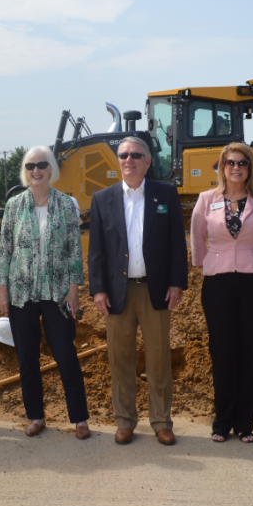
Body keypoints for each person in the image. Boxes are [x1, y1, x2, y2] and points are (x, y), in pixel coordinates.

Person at [88, 136, 187, 446]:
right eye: (123, 155)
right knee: (120, 360)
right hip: (118, 293)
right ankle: (125, 421)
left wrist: (177, 282)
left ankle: (161, 421)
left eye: (135, 155)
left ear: (147, 161)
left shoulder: (165, 195)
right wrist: (99, 289)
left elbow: (176, 244)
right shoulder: (102, 199)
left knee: (158, 359)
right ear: (118, 161)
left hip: (155, 291)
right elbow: (96, 251)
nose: (128, 160)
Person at [0, 145, 90, 439]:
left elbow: (75, 251)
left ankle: (80, 419)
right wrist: (2, 291)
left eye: (42, 165)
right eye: (30, 166)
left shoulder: (66, 204)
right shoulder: (14, 206)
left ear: (51, 170)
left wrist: (74, 290)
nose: (36, 171)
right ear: (25, 171)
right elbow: (5, 251)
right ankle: (36, 416)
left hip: (57, 292)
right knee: (27, 357)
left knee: (65, 353)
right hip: (21, 293)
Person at [190, 142, 253, 443]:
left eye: (243, 163)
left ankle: (244, 424)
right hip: (218, 283)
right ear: (222, 166)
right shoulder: (206, 200)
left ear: (250, 168)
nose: (236, 168)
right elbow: (198, 239)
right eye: (231, 163)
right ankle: (221, 422)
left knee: (248, 352)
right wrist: (209, 264)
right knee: (223, 352)